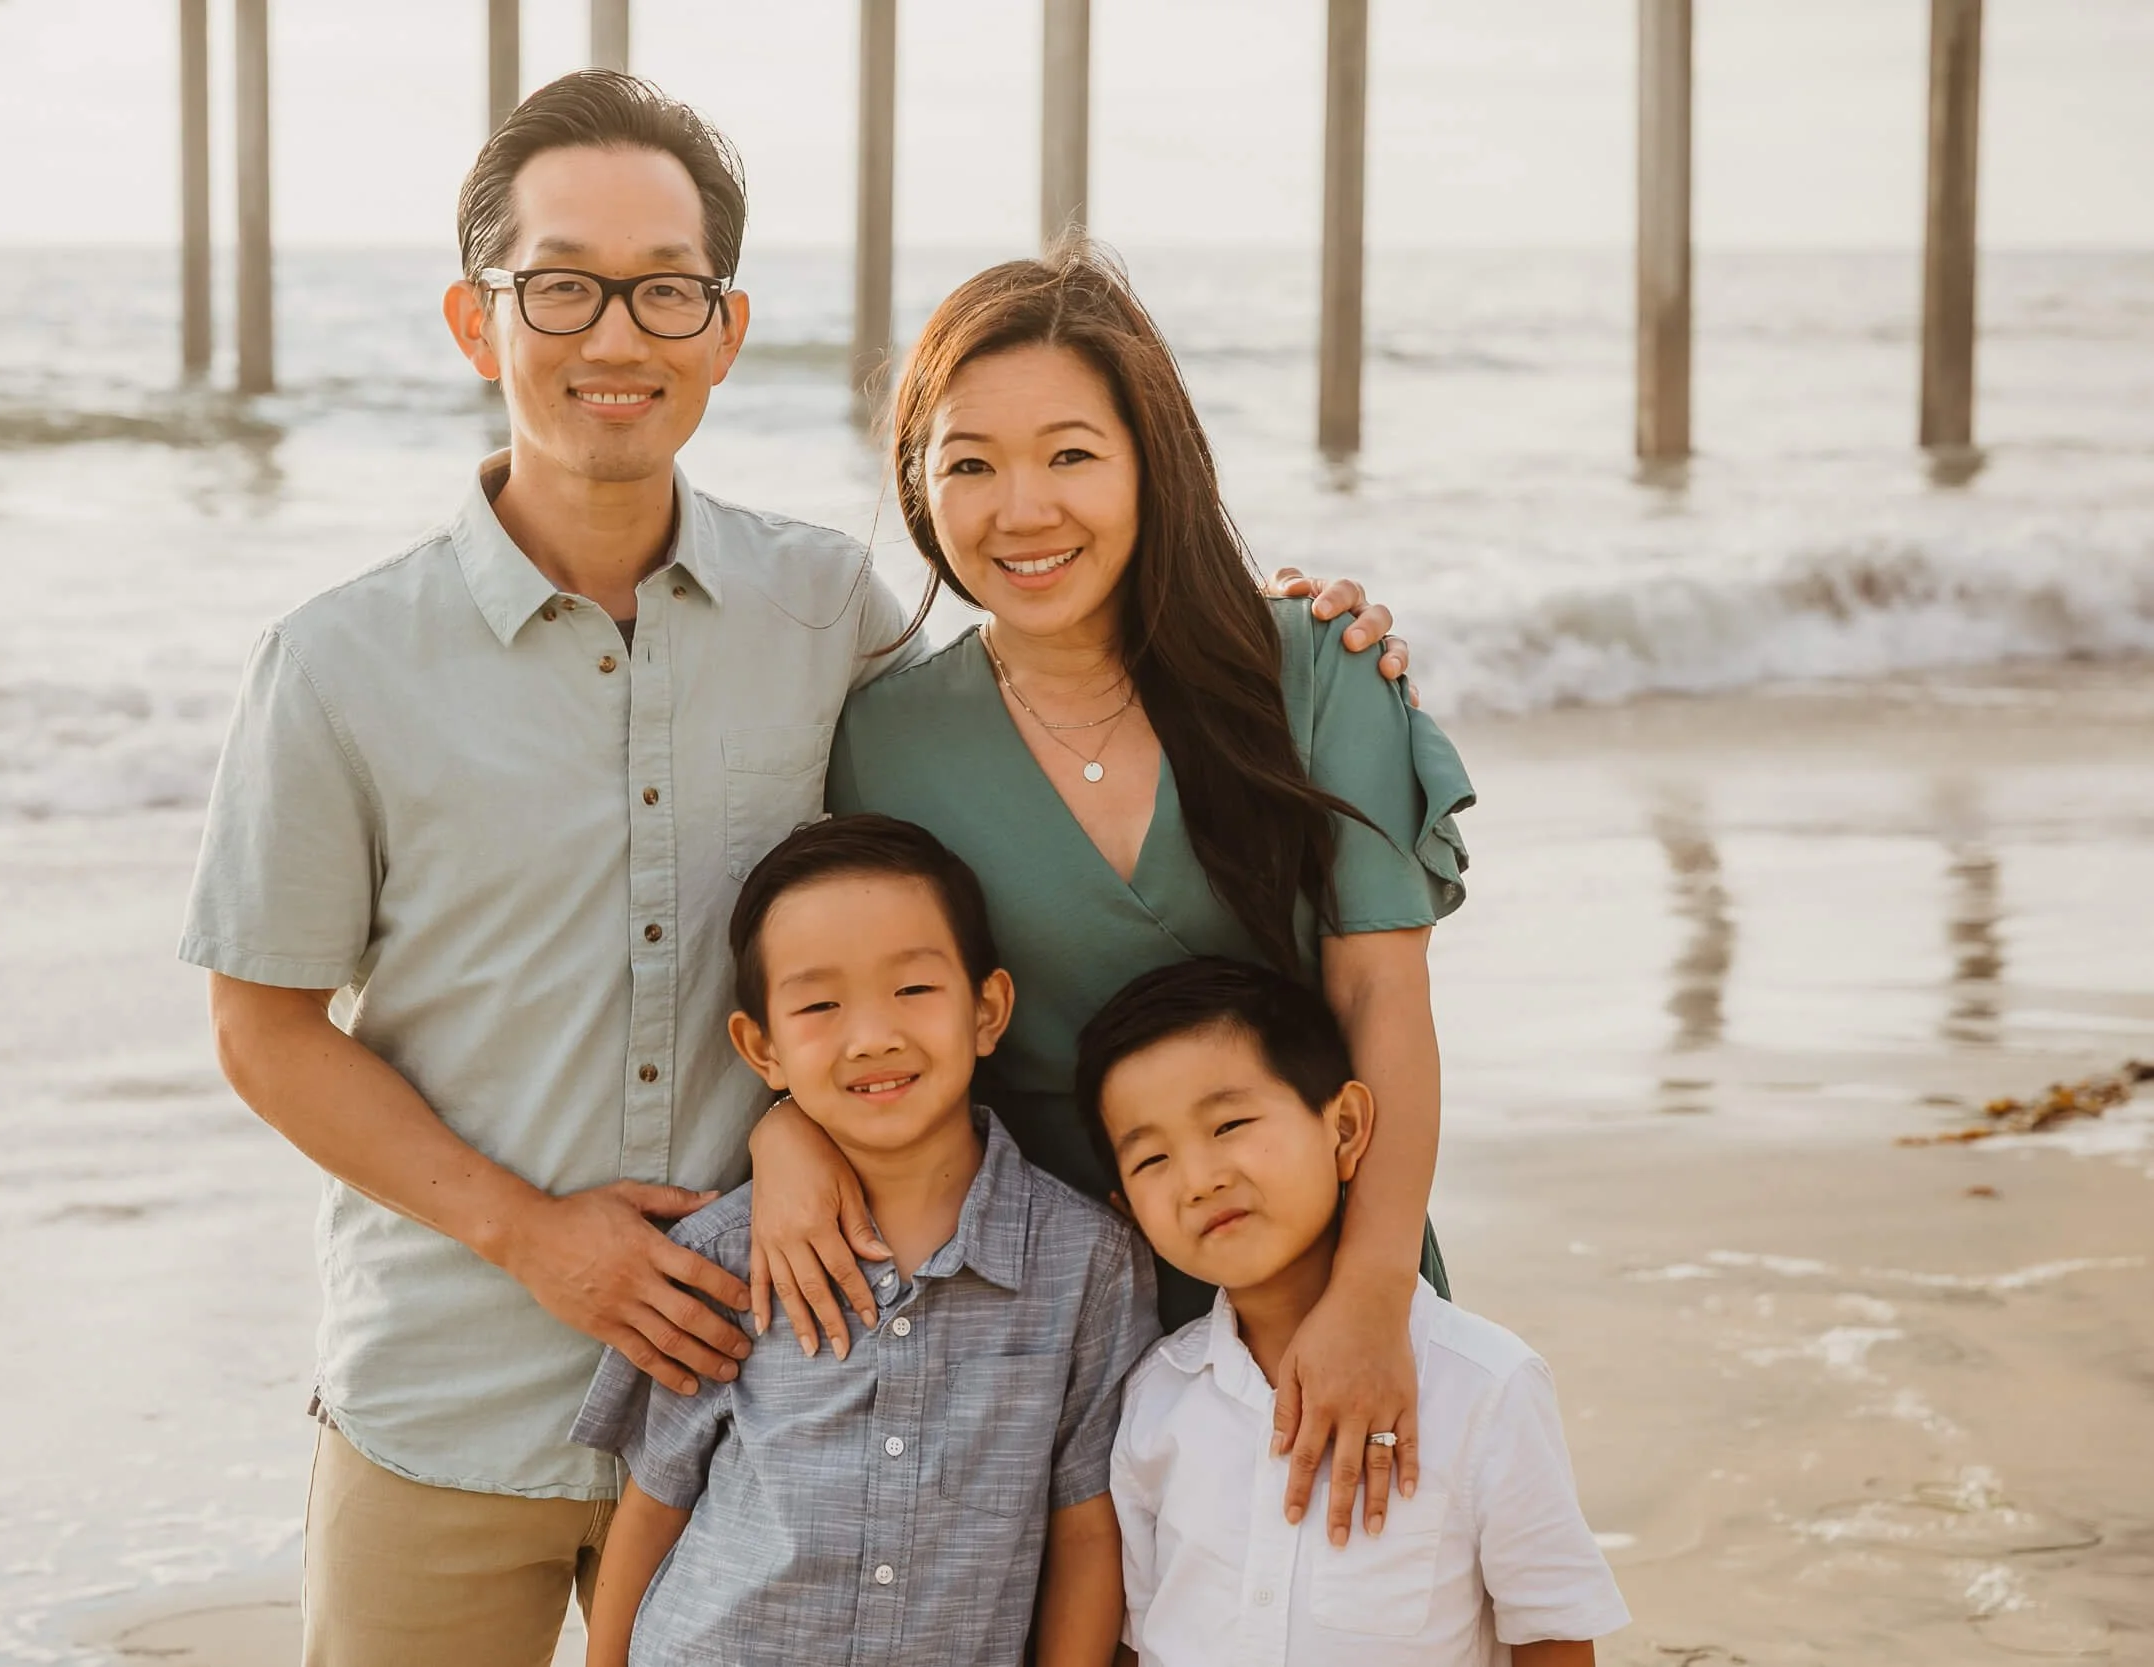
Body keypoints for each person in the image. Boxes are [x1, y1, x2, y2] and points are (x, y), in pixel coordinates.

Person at [180, 71, 1406, 1666]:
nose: (617, 333)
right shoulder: (338, 662)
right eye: (561, 286)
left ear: (726, 330)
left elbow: (1005, 749)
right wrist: (536, 1234)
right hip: (453, 1396)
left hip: (808, 1402)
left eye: (665, 289)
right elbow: (263, 1027)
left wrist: (1307, 627)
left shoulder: (827, 613)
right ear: (478, 321)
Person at [759, 241, 1472, 1552]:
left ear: (1154, 460)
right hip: (1037, 1305)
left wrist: (1372, 1295)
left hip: (1317, 1267)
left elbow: (1383, 996)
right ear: (917, 484)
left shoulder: (1315, 668)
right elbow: (868, 1011)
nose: (1022, 509)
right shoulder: (882, 741)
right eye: (969, 463)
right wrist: (783, 1133)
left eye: (1071, 454)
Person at [571, 814, 1156, 1667]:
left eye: (913, 988)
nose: (873, 1035)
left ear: (987, 1009)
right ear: (762, 1047)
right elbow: (656, 1502)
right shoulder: (720, 1255)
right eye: (819, 1004)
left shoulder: (1087, 1262)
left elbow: (1086, 1527)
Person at [1079, 957, 1629, 1666]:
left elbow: (1552, 1636)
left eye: (1231, 1123)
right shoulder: (1155, 1397)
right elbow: (1142, 1635)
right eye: (1152, 1160)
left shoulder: (1484, 1385)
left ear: (1344, 1127)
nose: (1200, 1179)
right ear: (1127, 1210)